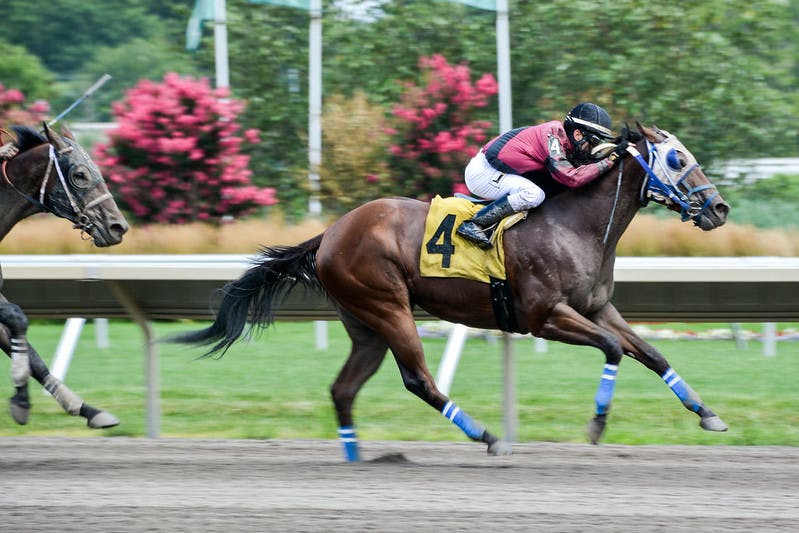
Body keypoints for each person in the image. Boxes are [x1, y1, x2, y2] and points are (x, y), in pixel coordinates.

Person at [456, 102, 627, 248]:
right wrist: (609, 161)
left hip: (500, 170)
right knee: (534, 195)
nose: (593, 149)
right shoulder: (553, 136)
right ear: (577, 134)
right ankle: (475, 224)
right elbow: (571, 178)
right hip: (484, 172)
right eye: (595, 142)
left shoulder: (567, 143)